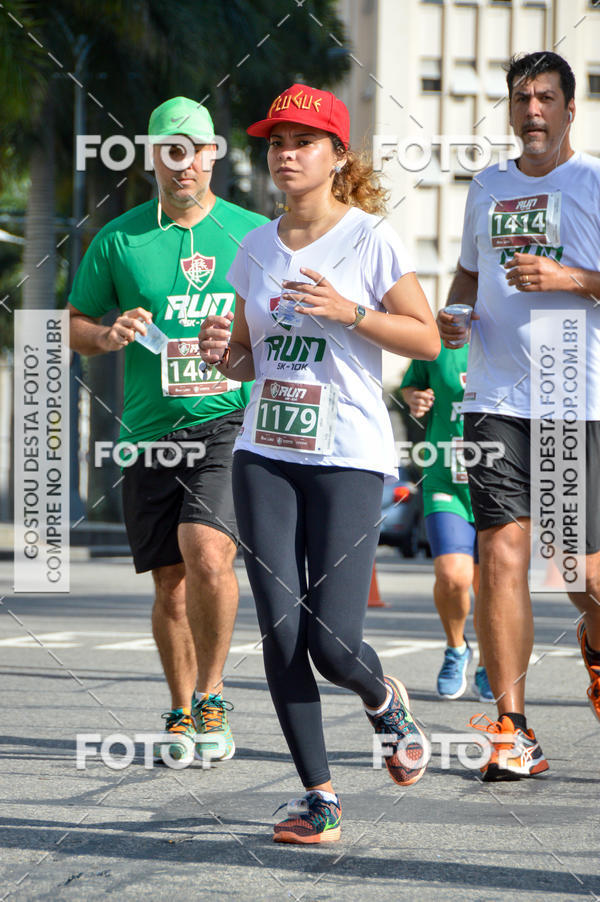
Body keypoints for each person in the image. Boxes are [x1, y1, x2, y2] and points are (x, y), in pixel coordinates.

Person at [199, 83, 440, 843]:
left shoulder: (371, 238)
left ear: (338, 156)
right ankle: (321, 798)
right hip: (264, 452)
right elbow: (247, 357)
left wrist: (351, 313)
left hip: (349, 457)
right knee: (279, 634)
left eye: (303, 140)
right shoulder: (255, 246)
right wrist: (224, 353)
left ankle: (383, 699)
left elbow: (427, 339)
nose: (287, 153)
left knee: (332, 644)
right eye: (276, 141)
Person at [67, 97, 267, 765]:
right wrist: (107, 332)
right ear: (153, 156)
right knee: (170, 582)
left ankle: (213, 699)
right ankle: (181, 708)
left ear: (215, 155)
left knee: (208, 553)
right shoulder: (119, 239)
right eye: (171, 150)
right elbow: (73, 325)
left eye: (197, 149)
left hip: (226, 421)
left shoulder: (252, 234)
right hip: (150, 432)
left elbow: (288, 324)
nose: (185, 162)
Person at [438, 52, 600, 781]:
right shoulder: (488, 186)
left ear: (571, 107)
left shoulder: (594, 181)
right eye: (521, 98)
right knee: (500, 555)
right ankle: (513, 728)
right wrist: (456, 314)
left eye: (545, 98)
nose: (532, 110)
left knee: (583, 574)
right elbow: (470, 270)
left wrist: (570, 277)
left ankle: (595, 654)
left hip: (576, 396)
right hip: (495, 398)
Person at [400, 345, 493, 702]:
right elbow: (412, 386)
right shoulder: (438, 341)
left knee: (492, 585)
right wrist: (415, 399)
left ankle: (489, 662)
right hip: (445, 477)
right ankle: (456, 648)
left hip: (499, 481)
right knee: (453, 576)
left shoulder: (515, 336)